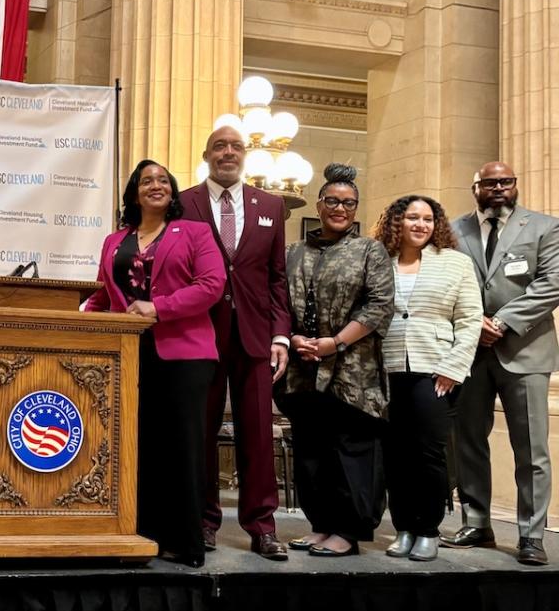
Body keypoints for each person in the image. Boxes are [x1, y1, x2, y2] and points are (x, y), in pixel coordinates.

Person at [84, 161, 226, 567]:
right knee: (135, 445)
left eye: (163, 180)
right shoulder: (115, 240)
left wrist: (158, 308)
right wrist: (77, 322)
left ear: (173, 191)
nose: (156, 186)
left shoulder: (195, 233)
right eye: (147, 181)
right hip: (126, 355)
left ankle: (185, 541)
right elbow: (101, 297)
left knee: (181, 447)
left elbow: (212, 286)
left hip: (185, 354)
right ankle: (142, 535)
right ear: (133, 193)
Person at [183, 125, 292, 561]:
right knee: (200, 433)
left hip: (256, 337)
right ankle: (203, 522)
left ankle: (262, 527)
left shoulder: (271, 205)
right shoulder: (184, 203)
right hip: (199, 335)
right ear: (207, 154)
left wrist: (281, 333)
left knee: (258, 436)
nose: (228, 153)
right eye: (220, 146)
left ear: (245, 155)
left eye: (236, 147)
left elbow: (277, 277)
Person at [442, 162, 559, 566]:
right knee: (469, 441)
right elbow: (445, 283)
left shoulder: (545, 227)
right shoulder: (453, 231)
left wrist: (504, 322)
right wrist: (474, 323)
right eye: (489, 182)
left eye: (505, 182)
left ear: (515, 186)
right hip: (468, 351)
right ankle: (477, 522)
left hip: (526, 351)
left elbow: (552, 283)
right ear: (474, 188)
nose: (498, 188)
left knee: (531, 450)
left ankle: (531, 534)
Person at [278, 163, 394, 557]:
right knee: (312, 451)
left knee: (351, 451)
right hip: (302, 369)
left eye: (348, 203)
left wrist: (334, 343)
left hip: (352, 371)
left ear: (356, 209)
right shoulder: (294, 252)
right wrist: (294, 337)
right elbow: (276, 303)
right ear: (320, 203)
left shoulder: (369, 250)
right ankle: (321, 524)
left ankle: (348, 530)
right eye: (332, 201)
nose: (339, 208)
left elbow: (379, 305)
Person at [371, 195, 481, 562]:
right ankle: (403, 527)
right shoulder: (378, 261)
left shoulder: (455, 263)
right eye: (412, 217)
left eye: (428, 219)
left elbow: (469, 319)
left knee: (429, 453)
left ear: (437, 225)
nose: (420, 224)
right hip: (385, 369)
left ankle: (428, 529)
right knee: (395, 454)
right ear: (396, 222)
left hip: (435, 370)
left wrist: (453, 366)